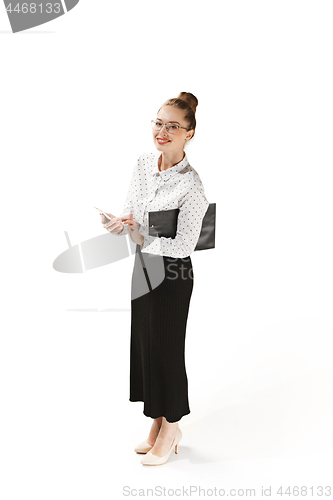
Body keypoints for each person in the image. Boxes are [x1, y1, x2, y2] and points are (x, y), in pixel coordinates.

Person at [100, 92, 209, 466]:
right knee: (146, 346)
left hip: (173, 273)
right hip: (143, 266)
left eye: (173, 126)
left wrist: (141, 234)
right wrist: (121, 224)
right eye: (158, 122)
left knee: (167, 348)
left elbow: (183, 245)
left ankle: (173, 425)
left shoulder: (192, 186)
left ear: (189, 133)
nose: (162, 131)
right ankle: (157, 419)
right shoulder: (144, 164)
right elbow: (133, 211)